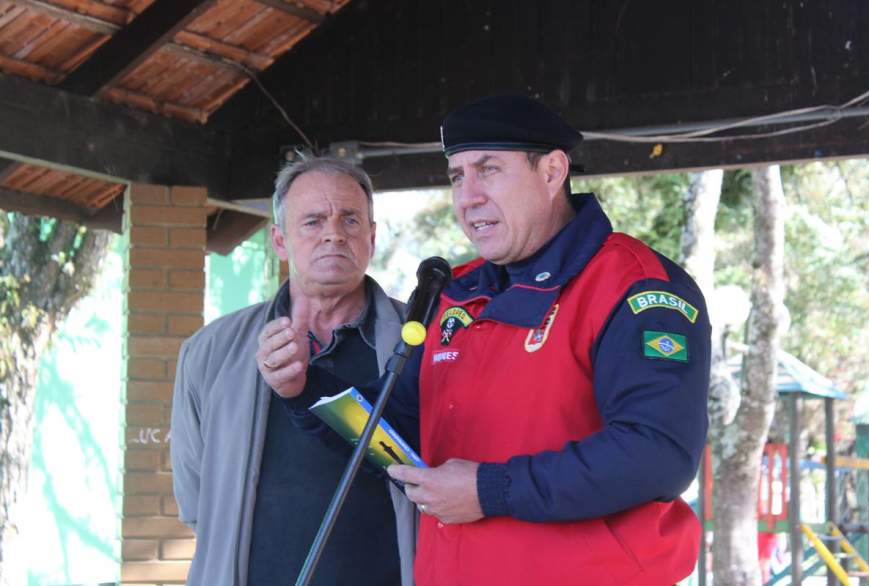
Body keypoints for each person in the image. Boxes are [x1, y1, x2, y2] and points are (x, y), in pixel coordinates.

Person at [268, 96, 711, 585]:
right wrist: (304, 389)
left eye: (488, 170)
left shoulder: (632, 286)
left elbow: (656, 455)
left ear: (552, 171)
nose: (468, 196)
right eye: (457, 176)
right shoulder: (454, 292)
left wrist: (488, 490)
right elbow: (402, 434)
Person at [170, 157, 416, 585]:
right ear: (279, 241)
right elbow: (197, 501)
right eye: (314, 221)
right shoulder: (210, 352)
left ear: (372, 238)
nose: (334, 233)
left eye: (350, 219)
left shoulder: (420, 344)